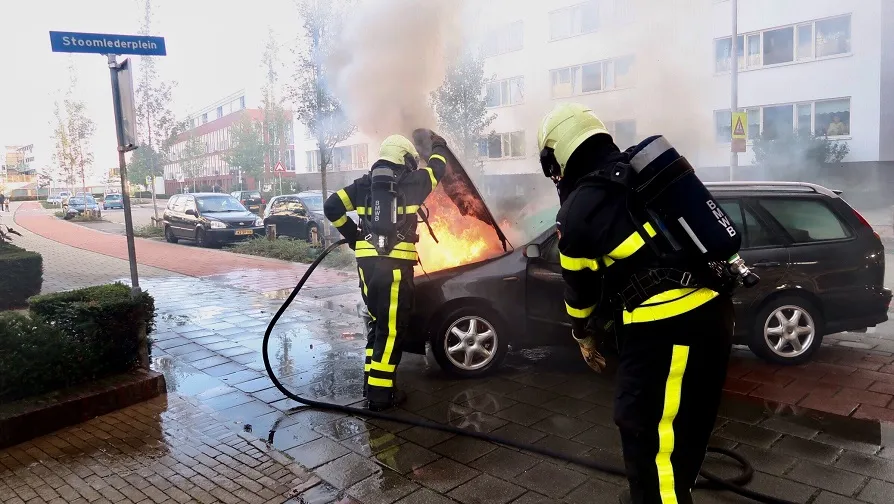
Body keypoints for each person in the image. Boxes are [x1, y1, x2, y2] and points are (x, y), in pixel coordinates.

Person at [537, 103, 736, 504]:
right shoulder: (642, 174)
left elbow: (580, 293)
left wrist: (582, 335)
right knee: (683, 437)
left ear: (559, 154)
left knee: (648, 441)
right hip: (712, 313)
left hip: (666, 331)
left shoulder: (577, 210)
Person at [324, 131, 449, 411]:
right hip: (395, 268)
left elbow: (331, 206)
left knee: (377, 322)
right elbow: (438, 168)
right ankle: (381, 397)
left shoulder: (363, 185)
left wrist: (355, 237)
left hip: (367, 266)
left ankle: (371, 380)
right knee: (392, 330)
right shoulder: (415, 181)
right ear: (404, 159)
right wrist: (439, 144)